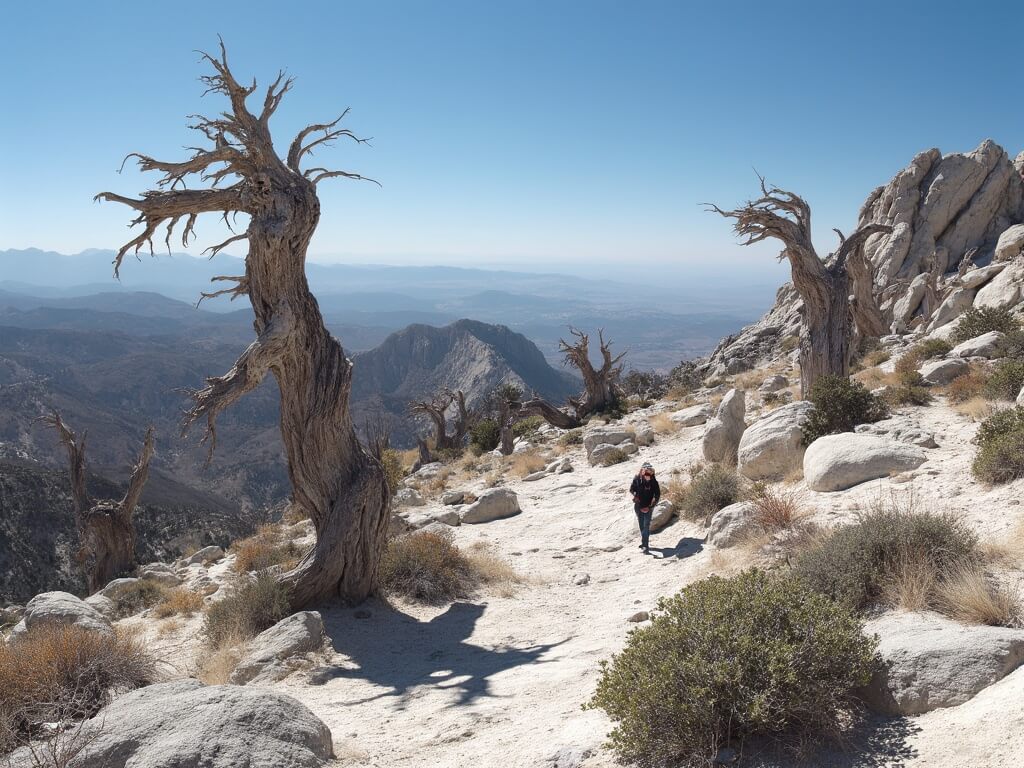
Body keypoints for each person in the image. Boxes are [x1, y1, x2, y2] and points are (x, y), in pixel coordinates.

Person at [629, 462, 660, 553]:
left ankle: (645, 545)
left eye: (649, 470)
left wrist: (651, 505)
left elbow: (657, 495)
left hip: (649, 507)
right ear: (642, 471)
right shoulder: (637, 479)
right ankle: (644, 542)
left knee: (646, 525)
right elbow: (631, 489)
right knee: (641, 525)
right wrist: (635, 496)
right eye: (645, 470)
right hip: (638, 506)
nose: (647, 472)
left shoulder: (654, 482)